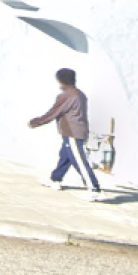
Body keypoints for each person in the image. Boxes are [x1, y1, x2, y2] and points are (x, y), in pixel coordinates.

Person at [28, 68, 105, 201]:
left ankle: (94, 189)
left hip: (72, 133)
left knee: (79, 160)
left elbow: (53, 113)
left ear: (61, 80)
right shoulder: (80, 94)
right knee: (65, 156)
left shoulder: (66, 96)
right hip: (78, 131)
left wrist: (35, 122)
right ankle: (55, 179)